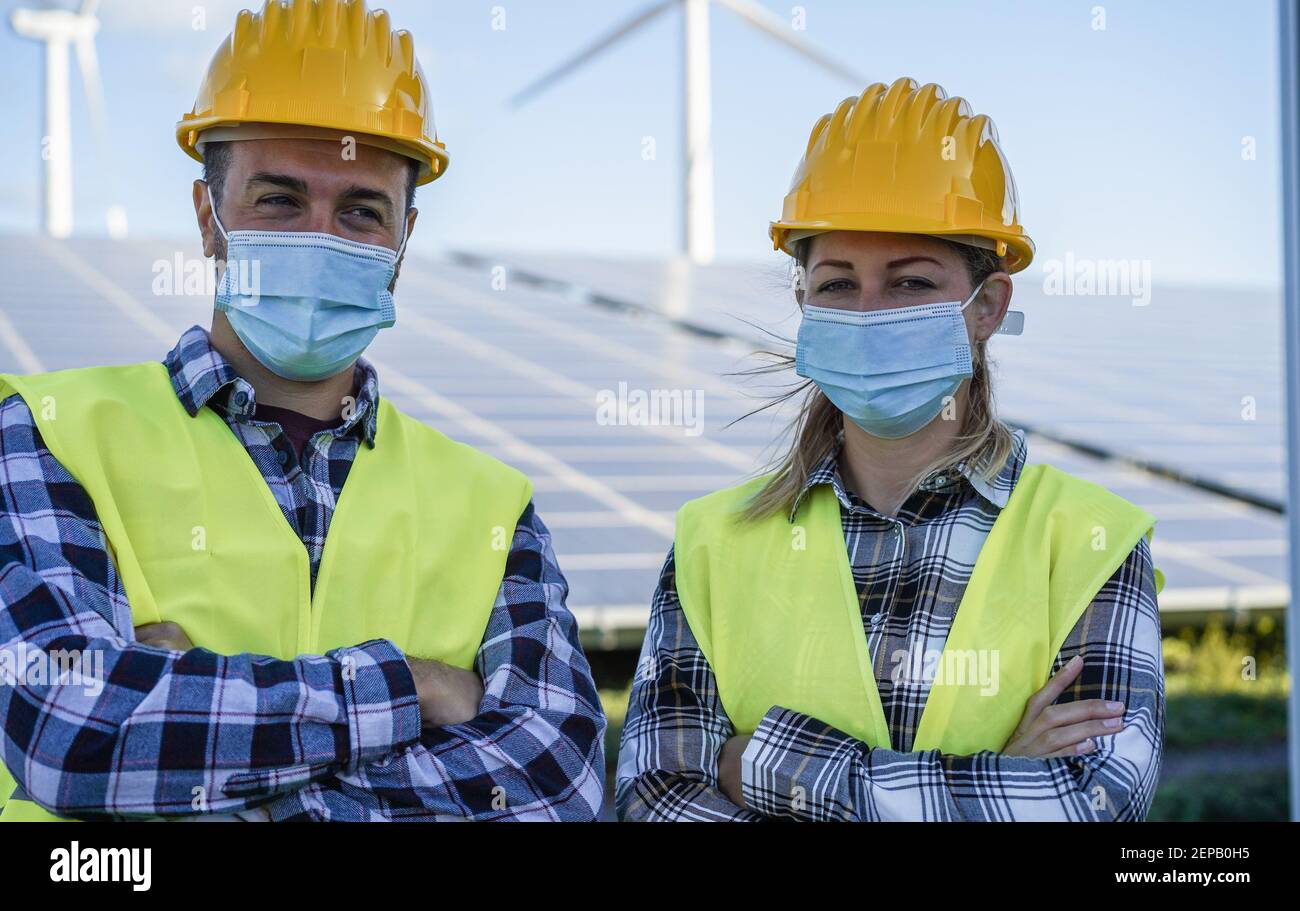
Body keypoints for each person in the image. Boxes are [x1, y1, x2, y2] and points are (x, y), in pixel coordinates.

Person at [0, 0, 604, 822]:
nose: (322, 234)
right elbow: (72, 733)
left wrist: (198, 734)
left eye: (361, 210)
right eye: (280, 200)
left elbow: (554, 780)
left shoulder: (492, 504)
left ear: (404, 239)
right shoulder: (49, 433)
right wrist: (415, 688)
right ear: (207, 217)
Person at [616, 77, 1166, 821]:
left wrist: (762, 761)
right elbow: (657, 800)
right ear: (804, 302)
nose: (869, 313)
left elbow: (1088, 803)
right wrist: (995, 780)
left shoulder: (1091, 542)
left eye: (910, 283)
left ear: (988, 308)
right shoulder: (712, 543)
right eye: (838, 285)